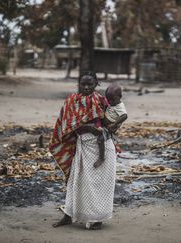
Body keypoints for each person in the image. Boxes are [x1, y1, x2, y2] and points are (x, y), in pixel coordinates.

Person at [49, 71, 117, 230]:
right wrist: (87, 127)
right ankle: (68, 215)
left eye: (90, 84)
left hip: (103, 146)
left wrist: (108, 126)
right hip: (82, 145)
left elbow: (109, 121)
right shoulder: (71, 101)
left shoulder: (101, 100)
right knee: (76, 181)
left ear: (96, 84)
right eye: (83, 84)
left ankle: (97, 218)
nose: (86, 87)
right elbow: (65, 126)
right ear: (78, 84)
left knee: (100, 183)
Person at [94, 83, 127, 168]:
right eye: (109, 100)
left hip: (109, 126)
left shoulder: (120, 106)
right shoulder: (111, 103)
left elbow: (124, 116)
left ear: (120, 97)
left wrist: (115, 124)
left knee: (100, 139)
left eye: (113, 100)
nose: (110, 102)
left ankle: (101, 157)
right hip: (104, 123)